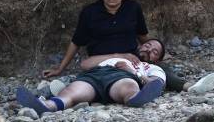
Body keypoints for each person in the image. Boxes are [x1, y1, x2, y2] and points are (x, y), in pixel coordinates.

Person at [43, 0, 150, 78]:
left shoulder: (133, 8)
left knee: (158, 73)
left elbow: (142, 35)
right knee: (93, 77)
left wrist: (158, 51)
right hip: (100, 63)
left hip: (129, 62)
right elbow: (76, 42)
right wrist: (60, 69)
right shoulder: (89, 12)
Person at [18, 39, 167, 115]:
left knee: (128, 86)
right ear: (141, 45)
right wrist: (118, 56)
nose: (149, 49)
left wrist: (135, 73)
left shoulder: (153, 68)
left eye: (155, 51)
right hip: (95, 75)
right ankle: (47, 106)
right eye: (148, 45)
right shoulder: (122, 55)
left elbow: (156, 84)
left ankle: (134, 99)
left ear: (157, 59)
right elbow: (86, 64)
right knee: (72, 92)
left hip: (122, 76)